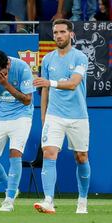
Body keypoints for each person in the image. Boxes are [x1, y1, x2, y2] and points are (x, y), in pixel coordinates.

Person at [33, 19, 90, 214]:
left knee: (81, 158)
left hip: (78, 116)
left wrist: (50, 82)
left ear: (71, 34)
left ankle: (82, 200)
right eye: (56, 32)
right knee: (49, 153)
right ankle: (48, 200)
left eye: (63, 32)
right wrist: (43, 117)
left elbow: (74, 83)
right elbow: (45, 92)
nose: (58, 35)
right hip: (54, 116)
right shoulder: (47, 59)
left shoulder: (81, 57)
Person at [0, 50, 35, 211]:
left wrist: (6, 85)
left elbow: (27, 100)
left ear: (8, 64)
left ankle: (9, 200)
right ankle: (11, 187)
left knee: (15, 153)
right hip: (0, 115)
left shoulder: (22, 68)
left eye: (2, 72)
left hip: (22, 115)